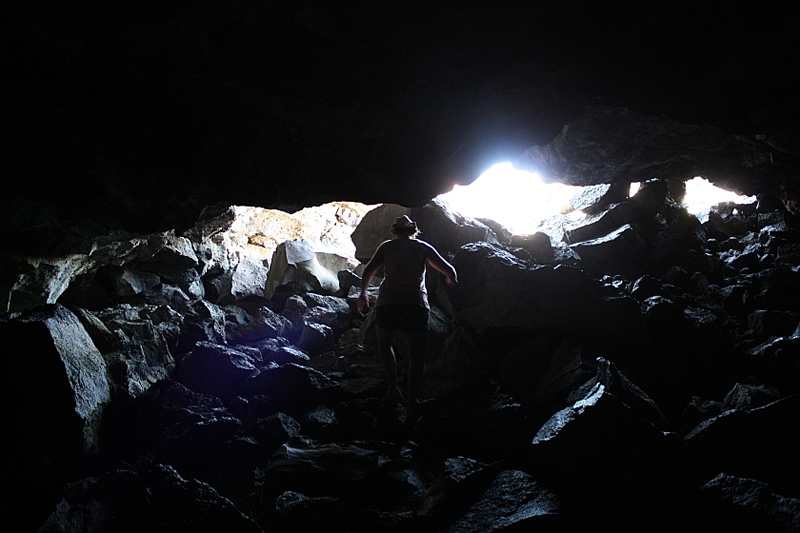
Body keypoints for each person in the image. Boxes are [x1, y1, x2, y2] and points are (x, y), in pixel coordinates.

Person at [356, 215, 458, 420]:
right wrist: (451, 281)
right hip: (415, 303)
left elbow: (368, 272)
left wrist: (363, 295)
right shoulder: (422, 247)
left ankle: (393, 388)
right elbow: (449, 270)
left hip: (388, 301)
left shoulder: (387, 247)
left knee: (385, 344)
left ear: (394, 231)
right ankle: (412, 404)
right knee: (416, 357)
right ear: (413, 231)